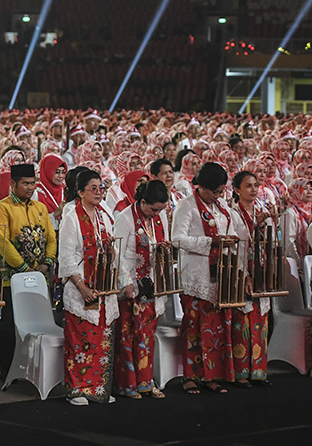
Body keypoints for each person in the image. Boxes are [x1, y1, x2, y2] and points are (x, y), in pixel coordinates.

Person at [172, 161, 241, 395]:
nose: (219, 195)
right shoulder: (186, 206)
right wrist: (211, 242)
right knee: (193, 327)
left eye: (221, 191)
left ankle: (212, 374)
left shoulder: (220, 207)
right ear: (202, 186)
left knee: (216, 328)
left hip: (218, 276)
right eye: (215, 191)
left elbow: (230, 229)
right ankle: (190, 376)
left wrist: (228, 240)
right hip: (195, 278)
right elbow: (177, 240)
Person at [0, 163, 56, 376]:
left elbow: (52, 238)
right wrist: (25, 268)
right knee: (9, 322)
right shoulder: (2, 208)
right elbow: (2, 241)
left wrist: (47, 262)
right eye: (25, 183)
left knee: (37, 321)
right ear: (13, 184)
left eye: (32, 183)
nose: (30, 187)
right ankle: (8, 370)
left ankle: (32, 367)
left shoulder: (40, 207)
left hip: (38, 276)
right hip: (12, 278)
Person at [59, 169, 118, 405]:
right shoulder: (71, 217)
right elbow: (66, 258)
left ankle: (98, 388)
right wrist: (82, 287)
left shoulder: (105, 216)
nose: (98, 192)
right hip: (80, 287)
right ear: (80, 192)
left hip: (102, 286)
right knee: (81, 339)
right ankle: (77, 389)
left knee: (101, 337)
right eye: (92, 188)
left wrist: (112, 251)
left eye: (100, 187)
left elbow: (110, 251)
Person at [114, 180, 170, 399]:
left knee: (147, 335)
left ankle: (146, 382)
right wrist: (125, 282)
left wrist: (163, 248)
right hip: (131, 284)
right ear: (143, 201)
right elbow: (117, 254)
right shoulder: (125, 217)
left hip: (151, 285)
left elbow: (160, 240)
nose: (156, 214)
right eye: (153, 209)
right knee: (128, 336)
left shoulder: (159, 216)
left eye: (160, 210)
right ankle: (127, 385)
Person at [229, 170, 271, 387]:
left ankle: (259, 371)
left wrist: (263, 226)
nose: (253, 189)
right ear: (237, 190)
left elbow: (272, 241)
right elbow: (236, 248)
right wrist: (243, 274)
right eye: (248, 186)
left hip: (261, 271)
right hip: (241, 271)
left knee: (260, 320)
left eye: (255, 185)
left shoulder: (262, 211)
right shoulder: (232, 214)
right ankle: (241, 372)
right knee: (242, 322)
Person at [34, 154, 67, 227]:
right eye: (57, 172)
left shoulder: (65, 190)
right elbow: (34, 220)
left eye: (63, 172)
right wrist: (56, 213)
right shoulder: (36, 192)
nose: (61, 176)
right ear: (48, 171)